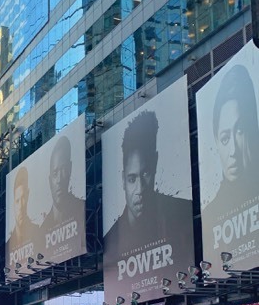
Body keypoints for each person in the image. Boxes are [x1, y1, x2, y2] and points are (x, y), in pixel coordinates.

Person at [104, 110, 193, 293]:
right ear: (122, 180)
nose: (140, 190)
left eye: (145, 174)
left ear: (155, 165)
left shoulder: (184, 214)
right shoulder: (110, 243)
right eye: (131, 179)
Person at [201, 67, 259, 262]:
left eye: (240, 131)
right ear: (216, 141)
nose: (233, 151)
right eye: (225, 138)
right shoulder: (209, 217)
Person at [40, 134, 85, 260]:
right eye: (55, 173)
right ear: (50, 180)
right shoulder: (41, 230)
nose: (59, 180)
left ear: (70, 170)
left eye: (63, 170)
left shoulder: (83, 210)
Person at [7, 166, 41, 269]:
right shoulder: (8, 245)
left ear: (28, 196)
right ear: (13, 204)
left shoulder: (38, 232)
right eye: (17, 201)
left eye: (23, 199)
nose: (21, 206)